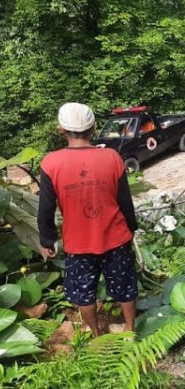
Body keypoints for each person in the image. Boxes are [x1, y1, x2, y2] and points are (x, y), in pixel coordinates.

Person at [37, 103, 139, 336]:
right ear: (92, 128)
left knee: (84, 291)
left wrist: (47, 239)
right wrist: (131, 228)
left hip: (78, 242)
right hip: (116, 237)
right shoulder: (111, 157)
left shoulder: (50, 163)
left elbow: (45, 209)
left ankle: (95, 334)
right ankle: (130, 330)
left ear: (61, 129)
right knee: (124, 285)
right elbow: (125, 201)